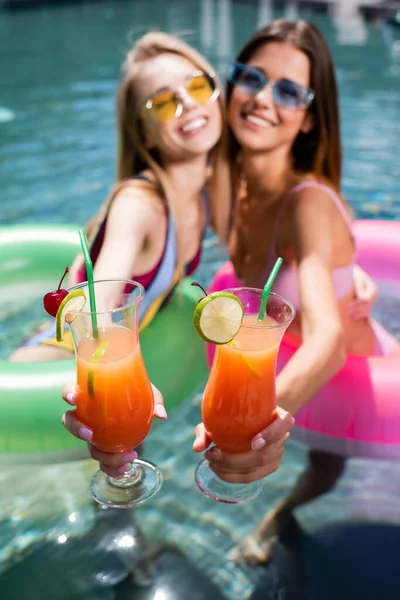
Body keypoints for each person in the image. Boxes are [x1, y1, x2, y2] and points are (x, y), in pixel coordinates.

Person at [216, 18, 400, 564]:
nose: (263, 99)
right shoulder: (234, 183)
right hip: (296, 352)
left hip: (358, 369)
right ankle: (282, 521)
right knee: (325, 466)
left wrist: (243, 424)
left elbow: (328, 345)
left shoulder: (305, 204)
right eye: (252, 77)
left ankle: (276, 522)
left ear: (308, 118)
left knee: (330, 471)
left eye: (289, 91)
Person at [9, 31, 230, 362]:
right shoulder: (139, 204)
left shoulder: (208, 192)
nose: (187, 102)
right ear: (145, 135)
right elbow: (99, 310)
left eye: (198, 85)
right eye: (165, 103)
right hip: (60, 361)